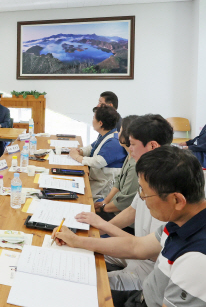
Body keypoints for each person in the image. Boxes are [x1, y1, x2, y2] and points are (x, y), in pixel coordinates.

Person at [55, 146, 206, 307]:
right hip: (145, 297)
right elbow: (136, 247)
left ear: (177, 200)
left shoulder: (203, 260)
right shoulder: (190, 220)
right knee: (71, 287)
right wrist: (76, 240)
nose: (142, 199)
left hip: (150, 300)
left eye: (145, 193)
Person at [74, 114, 172, 292]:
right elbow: (131, 211)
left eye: (132, 144)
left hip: (148, 268)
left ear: (152, 146)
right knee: (76, 255)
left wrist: (89, 234)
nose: (128, 149)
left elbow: (141, 249)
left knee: (83, 282)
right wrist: (97, 230)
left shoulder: (166, 184)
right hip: (134, 251)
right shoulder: (147, 172)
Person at [69, 106, 127, 199]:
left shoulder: (114, 142)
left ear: (100, 123)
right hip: (96, 180)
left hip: (103, 190)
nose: (92, 120)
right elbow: (92, 148)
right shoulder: (104, 135)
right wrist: (80, 151)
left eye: (93, 118)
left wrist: (77, 157)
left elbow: (98, 162)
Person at [94, 115, 139, 224]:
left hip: (121, 216)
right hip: (114, 207)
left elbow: (124, 201)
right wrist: (105, 201)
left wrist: (103, 208)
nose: (118, 134)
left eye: (121, 131)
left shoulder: (135, 164)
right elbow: (119, 180)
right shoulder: (129, 155)